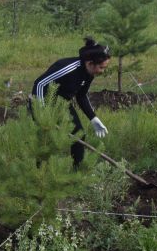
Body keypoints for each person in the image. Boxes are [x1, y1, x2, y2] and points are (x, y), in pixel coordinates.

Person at [31, 37, 110, 167]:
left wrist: (93, 118)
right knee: (46, 140)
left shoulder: (88, 73)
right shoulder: (67, 67)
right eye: (101, 67)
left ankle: (76, 175)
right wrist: (41, 111)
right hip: (42, 100)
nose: (103, 71)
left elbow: (81, 96)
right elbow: (40, 84)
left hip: (61, 104)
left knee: (78, 136)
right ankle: (40, 175)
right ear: (90, 63)